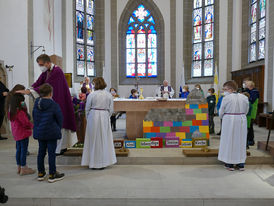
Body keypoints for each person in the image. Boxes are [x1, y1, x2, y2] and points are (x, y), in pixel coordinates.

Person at [17, 54, 77, 155]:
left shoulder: (57, 71)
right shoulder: (47, 71)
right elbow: (38, 82)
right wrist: (29, 89)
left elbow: (47, 85)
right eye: (39, 65)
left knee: (61, 126)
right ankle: (57, 148)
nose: (40, 67)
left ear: (48, 63)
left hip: (60, 102)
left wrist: (30, 92)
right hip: (53, 102)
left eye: (41, 64)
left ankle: (59, 148)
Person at [81, 77, 117, 169]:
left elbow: (87, 108)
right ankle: (103, 162)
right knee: (104, 138)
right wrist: (106, 116)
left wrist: (88, 118)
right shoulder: (108, 95)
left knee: (93, 139)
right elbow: (111, 110)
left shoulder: (92, 95)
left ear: (95, 84)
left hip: (93, 116)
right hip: (104, 115)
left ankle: (92, 162)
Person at [33, 84, 65, 183]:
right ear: (51, 93)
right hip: (51, 132)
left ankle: (41, 173)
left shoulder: (36, 103)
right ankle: (52, 174)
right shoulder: (54, 105)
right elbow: (60, 119)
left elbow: (34, 117)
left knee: (41, 153)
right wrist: (57, 128)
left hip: (40, 132)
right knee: (51, 154)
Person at [218, 81, 249, 171]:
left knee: (229, 140)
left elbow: (221, 111)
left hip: (229, 119)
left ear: (231, 89)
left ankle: (229, 164)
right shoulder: (244, 97)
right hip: (241, 119)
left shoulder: (226, 98)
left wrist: (222, 117)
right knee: (240, 140)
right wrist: (241, 115)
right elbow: (246, 110)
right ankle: (241, 164)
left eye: (225, 89)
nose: (224, 91)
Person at [6, 85, 35, 175]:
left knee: (18, 150)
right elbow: (25, 123)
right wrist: (33, 126)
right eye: (23, 101)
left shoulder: (12, 111)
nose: (23, 102)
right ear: (19, 102)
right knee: (23, 150)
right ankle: (24, 168)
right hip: (23, 133)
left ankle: (19, 167)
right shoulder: (20, 112)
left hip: (17, 134)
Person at [245, 81, 259, 146]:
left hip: (251, 111)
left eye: (246, 84)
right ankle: (249, 140)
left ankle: (250, 140)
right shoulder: (250, 91)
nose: (245, 85)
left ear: (250, 86)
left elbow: (251, 100)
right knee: (249, 127)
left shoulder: (254, 92)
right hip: (249, 111)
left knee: (250, 127)